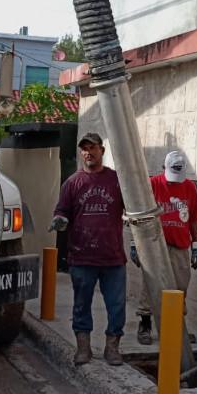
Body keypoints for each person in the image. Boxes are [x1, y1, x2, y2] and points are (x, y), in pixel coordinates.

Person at [50, 132, 127, 366]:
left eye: (93, 148)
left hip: (113, 257)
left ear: (102, 150)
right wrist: (60, 219)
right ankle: (83, 348)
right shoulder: (72, 183)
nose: (88, 153)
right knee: (81, 304)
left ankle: (112, 347)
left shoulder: (116, 180)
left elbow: (133, 208)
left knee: (117, 306)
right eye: (84, 149)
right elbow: (62, 210)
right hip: (82, 257)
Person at [129, 150, 197, 345]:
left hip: (180, 244)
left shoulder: (189, 187)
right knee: (150, 284)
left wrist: (196, 245)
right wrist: (134, 243)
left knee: (180, 286)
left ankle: (177, 327)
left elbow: (194, 218)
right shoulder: (153, 184)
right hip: (154, 244)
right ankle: (145, 324)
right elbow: (137, 214)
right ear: (164, 168)